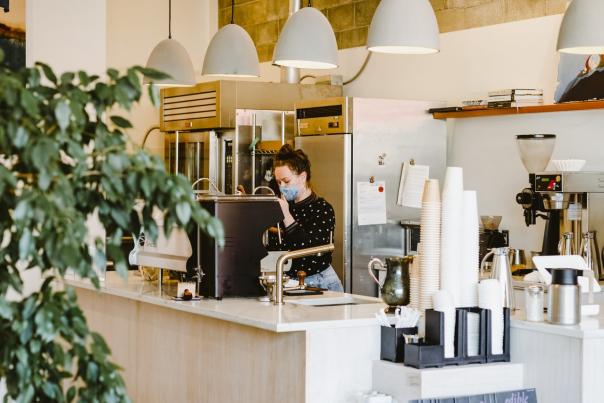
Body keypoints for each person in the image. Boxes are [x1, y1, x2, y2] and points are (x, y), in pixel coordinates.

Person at [268, 144, 343, 292]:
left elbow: (307, 248)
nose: (282, 187)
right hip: (288, 282)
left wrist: (286, 215)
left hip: (319, 283)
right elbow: (275, 247)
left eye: (286, 181)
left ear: (302, 177)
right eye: (278, 182)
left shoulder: (322, 209)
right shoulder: (283, 205)